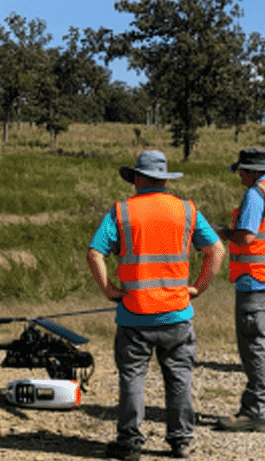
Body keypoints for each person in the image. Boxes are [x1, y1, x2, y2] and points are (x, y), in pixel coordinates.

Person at [87, 150, 225, 461]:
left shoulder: (122, 212)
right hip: (177, 313)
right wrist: (198, 287)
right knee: (179, 377)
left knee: (133, 377)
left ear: (137, 178)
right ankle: (179, 441)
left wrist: (109, 289)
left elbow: (95, 253)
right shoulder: (187, 210)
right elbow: (216, 249)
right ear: (164, 179)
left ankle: (130, 443)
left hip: (134, 313)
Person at [215, 147, 265, 433]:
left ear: (252, 171)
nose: (239, 176)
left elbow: (247, 237)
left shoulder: (256, 194)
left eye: (241, 171)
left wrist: (225, 233)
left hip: (255, 278)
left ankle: (254, 411)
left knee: (254, 346)